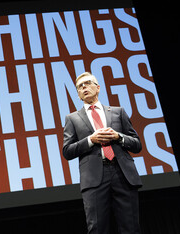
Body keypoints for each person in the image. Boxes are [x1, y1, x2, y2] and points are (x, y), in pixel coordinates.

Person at [62, 72, 142, 234]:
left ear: (97, 88)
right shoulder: (72, 119)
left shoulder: (118, 112)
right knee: (97, 229)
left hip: (123, 174)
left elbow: (137, 145)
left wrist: (118, 136)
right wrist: (91, 140)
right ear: (78, 94)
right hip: (94, 179)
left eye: (87, 83)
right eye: (79, 86)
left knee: (131, 227)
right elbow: (67, 151)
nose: (84, 87)